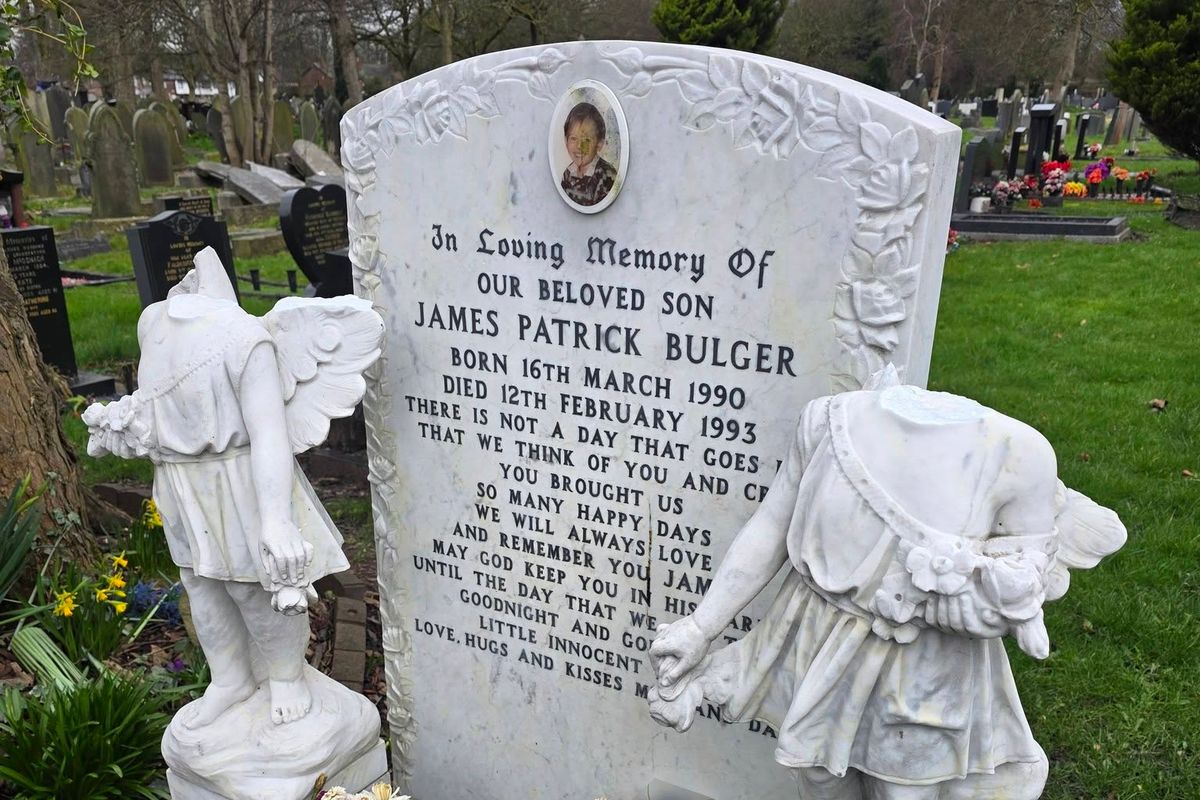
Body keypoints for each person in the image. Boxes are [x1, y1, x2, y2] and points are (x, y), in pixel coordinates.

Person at [648, 370, 1125, 800]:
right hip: (816, 634)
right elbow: (771, 526)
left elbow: (1020, 588)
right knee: (818, 776)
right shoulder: (826, 421)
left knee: (903, 789)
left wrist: (979, 604)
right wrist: (700, 627)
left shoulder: (1017, 454)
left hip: (921, 664)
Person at [84, 247, 382, 729]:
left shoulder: (247, 339)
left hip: (237, 478)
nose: (185, 282)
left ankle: (286, 678)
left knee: (253, 588)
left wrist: (277, 520)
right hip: (179, 478)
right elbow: (158, 400)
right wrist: (125, 424)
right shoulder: (152, 322)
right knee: (200, 584)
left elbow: (269, 434)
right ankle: (229, 679)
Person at [560, 102, 617, 207]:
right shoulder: (567, 174)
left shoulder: (607, 176)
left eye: (586, 139)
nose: (579, 146)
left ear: (599, 143)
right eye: (573, 138)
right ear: (566, 140)